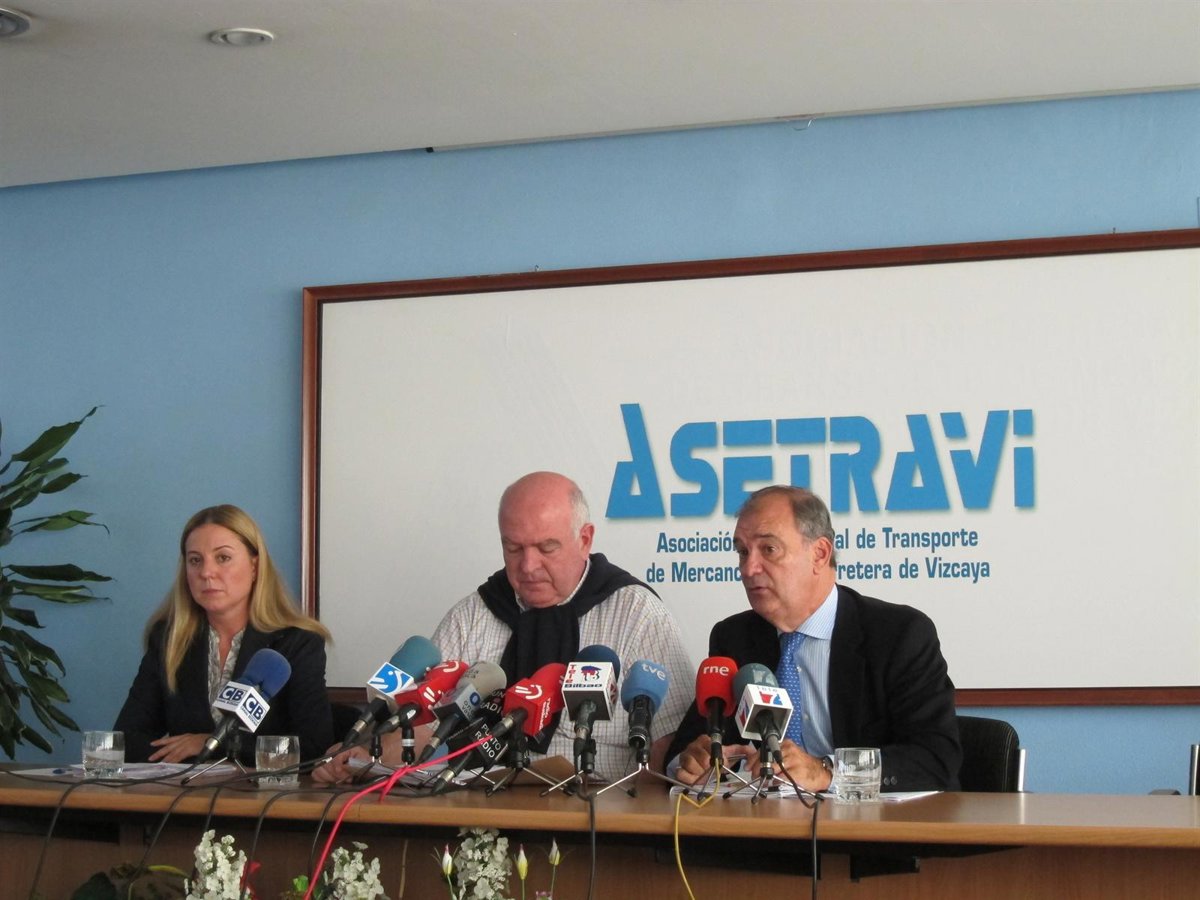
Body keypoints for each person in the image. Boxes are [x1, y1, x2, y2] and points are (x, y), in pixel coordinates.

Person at [314, 471, 693, 784]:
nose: (528, 566)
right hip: (471, 810)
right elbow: (421, 729)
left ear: (585, 539)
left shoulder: (637, 614)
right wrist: (364, 755)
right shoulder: (473, 615)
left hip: (601, 818)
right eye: (513, 548)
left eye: (546, 548)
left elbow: (670, 747)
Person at [666, 485, 961, 793]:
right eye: (742, 552)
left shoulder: (898, 634)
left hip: (872, 819)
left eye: (769, 549)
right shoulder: (734, 638)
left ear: (820, 553)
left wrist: (827, 771)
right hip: (766, 819)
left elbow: (935, 758)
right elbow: (682, 752)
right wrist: (692, 763)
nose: (749, 568)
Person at [115, 504, 334, 765]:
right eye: (195, 560)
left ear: (255, 566)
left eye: (223, 558)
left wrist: (214, 744)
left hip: (261, 790)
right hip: (186, 788)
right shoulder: (169, 639)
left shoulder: (297, 643)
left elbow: (313, 746)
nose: (206, 572)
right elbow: (127, 739)